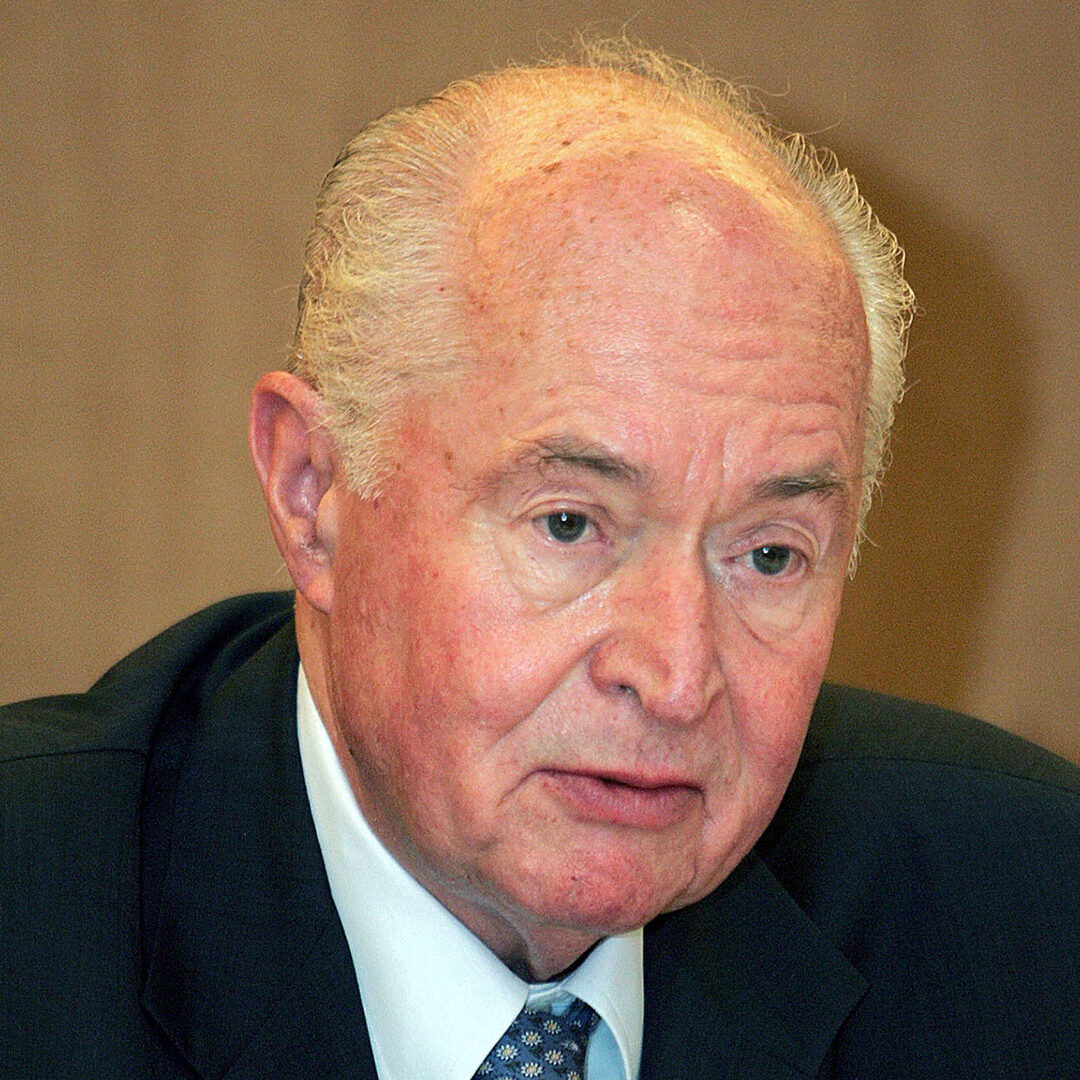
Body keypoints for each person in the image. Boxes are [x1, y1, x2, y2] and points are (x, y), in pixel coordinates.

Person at [2, 40, 1078, 1080]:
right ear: (312, 491)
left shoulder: (1029, 927)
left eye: (766, 554)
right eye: (570, 525)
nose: (675, 679)